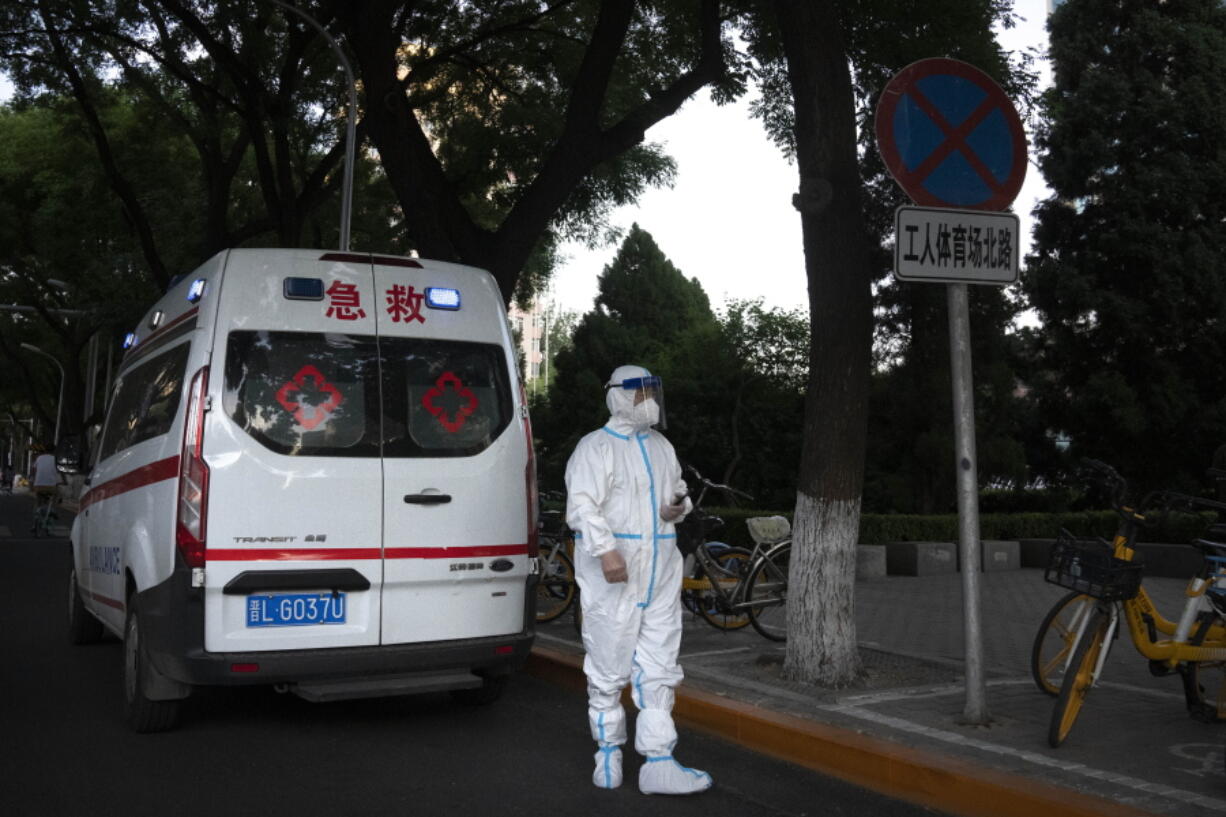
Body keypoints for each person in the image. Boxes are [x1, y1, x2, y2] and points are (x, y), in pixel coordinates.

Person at [564, 365, 711, 795]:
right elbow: (583, 506)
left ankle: (659, 760)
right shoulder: (595, 447)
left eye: (652, 392)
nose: (650, 400)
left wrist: (674, 509)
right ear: (619, 396)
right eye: (641, 392)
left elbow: (675, 491)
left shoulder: (662, 446)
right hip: (614, 568)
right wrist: (607, 550)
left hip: (660, 567)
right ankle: (607, 749)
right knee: (609, 659)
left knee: (660, 661)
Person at [30, 444, 60, 527]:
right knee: (56, 494)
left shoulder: (39, 458)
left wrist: (33, 481)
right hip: (50, 486)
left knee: (38, 500)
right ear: (54, 451)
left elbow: (34, 470)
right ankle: (53, 510)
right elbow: (59, 472)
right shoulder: (55, 459)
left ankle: (36, 516)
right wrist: (63, 481)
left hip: (38, 485)